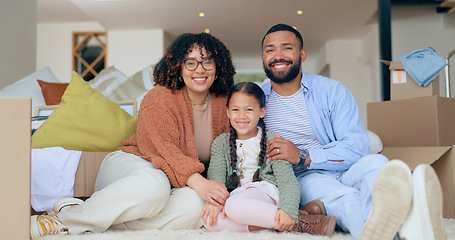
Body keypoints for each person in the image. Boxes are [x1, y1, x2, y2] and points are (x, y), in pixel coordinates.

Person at [30, 32, 236, 238]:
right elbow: (164, 149)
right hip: (133, 167)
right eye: (190, 62)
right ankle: (63, 221)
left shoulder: (225, 103)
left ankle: (87, 215)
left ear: (218, 66)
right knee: (154, 186)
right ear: (178, 68)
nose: (200, 69)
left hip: (173, 185)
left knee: (195, 205)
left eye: (207, 61)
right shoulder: (160, 97)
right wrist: (200, 182)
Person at [260, 23, 447, 240]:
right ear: (263, 57)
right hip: (307, 177)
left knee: (379, 165)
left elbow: (357, 146)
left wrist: (304, 155)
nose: (278, 55)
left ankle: (407, 213)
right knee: (348, 200)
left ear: (302, 55)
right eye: (270, 50)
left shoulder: (332, 91)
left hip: (349, 166)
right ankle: (410, 224)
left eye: (287, 48)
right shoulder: (256, 102)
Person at [201, 82, 336, 236]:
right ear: (228, 112)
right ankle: (301, 219)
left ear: (262, 112)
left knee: (234, 206)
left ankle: (296, 220)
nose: (242, 116)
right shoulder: (220, 143)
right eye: (235, 110)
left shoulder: (272, 140)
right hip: (237, 198)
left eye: (249, 109)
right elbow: (216, 179)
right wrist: (215, 203)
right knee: (209, 220)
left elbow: (287, 181)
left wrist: (288, 209)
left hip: (265, 194)